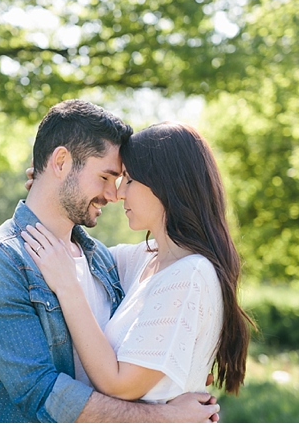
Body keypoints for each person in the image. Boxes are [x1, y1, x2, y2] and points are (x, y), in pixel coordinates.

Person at [0, 100, 220, 422]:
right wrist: (164, 417)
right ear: (62, 161)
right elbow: (42, 394)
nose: (114, 194)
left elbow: (171, 282)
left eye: (122, 180)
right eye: (106, 177)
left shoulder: (104, 261)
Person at [21, 121, 253, 404]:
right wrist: (53, 192)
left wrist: (68, 288)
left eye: (129, 179)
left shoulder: (190, 274)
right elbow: (83, 251)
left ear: (165, 184)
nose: (118, 194)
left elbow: (119, 386)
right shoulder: (149, 260)